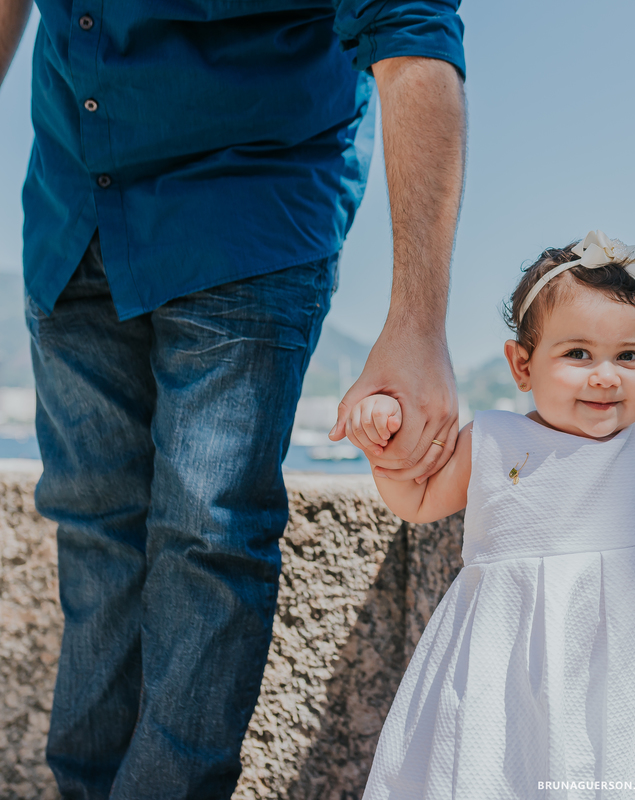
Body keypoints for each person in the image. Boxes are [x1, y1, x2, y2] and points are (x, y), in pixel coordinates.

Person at [0, 0, 467, 796]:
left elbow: (413, 31)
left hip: (248, 205)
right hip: (74, 206)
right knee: (93, 528)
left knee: (208, 535)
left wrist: (417, 324)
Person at [344, 232, 635, 798]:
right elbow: (415, 500)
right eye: (577, 353)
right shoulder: (491, 441)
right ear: (522, 365)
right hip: (507, 660)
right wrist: (382, 442)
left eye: (628, 356)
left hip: (623, 663)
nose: (606, 375)